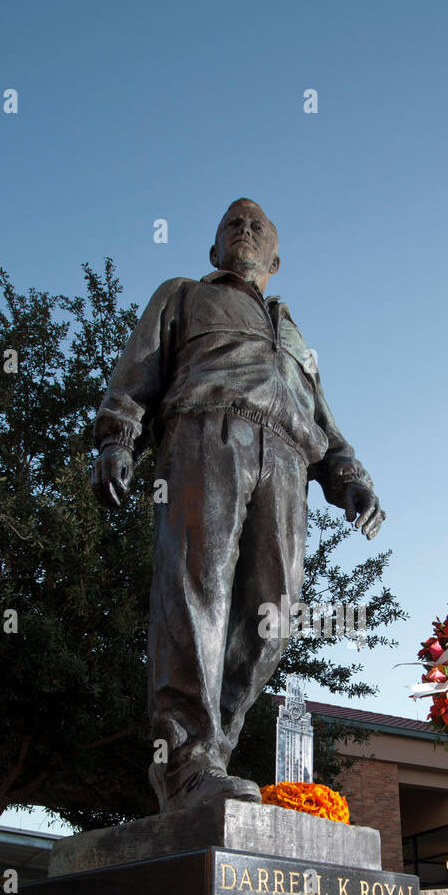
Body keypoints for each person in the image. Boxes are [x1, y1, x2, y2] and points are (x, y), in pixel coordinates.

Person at [91, 199, 385, 810]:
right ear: (214, 250)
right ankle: (185, 760)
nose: (244, 230)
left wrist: (349, 475)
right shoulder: (184, 294)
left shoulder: (296, 335)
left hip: (286, 461)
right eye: (233, 224)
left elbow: (324, 423)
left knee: (275, 615)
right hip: (206, 433)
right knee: (196, 592)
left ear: (275, 258)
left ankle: (211, 753)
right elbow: (136, 373)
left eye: (257, 227)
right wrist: (119, 440)